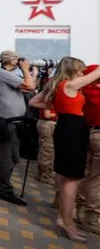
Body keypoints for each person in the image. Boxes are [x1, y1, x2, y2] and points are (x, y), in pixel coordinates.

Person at [29, 58, 100, 242]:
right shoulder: (70, 84)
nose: (83, 73)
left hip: (65, 126)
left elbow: (34, 102)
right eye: (80, 70)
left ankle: (64, 218)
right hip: (73, 129)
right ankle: (68, 223)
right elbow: (97, 73)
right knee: (72, 179)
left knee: (64, 177)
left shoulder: (58, 85)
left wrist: (57, 106)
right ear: (73, 70)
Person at [0, 50, 36, 206]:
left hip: (11, 122)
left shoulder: (7, 76)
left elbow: (31, 86)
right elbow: (29, 86)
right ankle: (4, 189)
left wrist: (31, 73)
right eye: (16, 58)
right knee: (8, 157)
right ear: (9, 60)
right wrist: (25, 69)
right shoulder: (3, 73)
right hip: (9, 123)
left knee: (3, 156)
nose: (19, 60)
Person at [80, 64, 100, 235]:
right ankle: (91, 216)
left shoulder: (85, 90)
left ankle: (79, 207)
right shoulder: (95, 93)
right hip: (98, 135)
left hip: (88, 133)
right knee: (96, 179)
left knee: (86, 174)